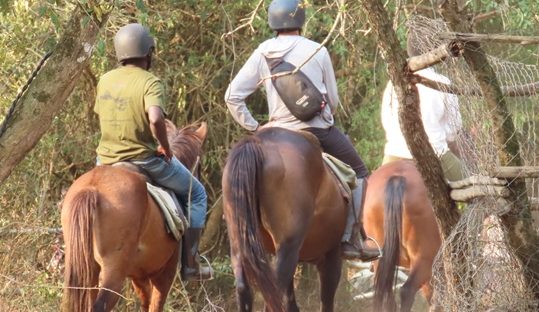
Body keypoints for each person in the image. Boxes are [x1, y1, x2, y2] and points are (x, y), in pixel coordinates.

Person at [224, 0, 380, 262]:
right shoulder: (317, 50)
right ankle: (351, 239)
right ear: (301, 20)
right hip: (316, 130)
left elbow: (232, 96)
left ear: (272, 22)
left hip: (276, 129)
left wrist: (255, 127)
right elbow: (332, 99)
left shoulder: (263, 52)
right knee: (361, 171)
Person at [94, 23, 213, 280]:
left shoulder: (105, 80)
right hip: (144, 160)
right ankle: (191, 264)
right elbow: (157, 119)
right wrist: (166, 147)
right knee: (198, 194)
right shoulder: (150, 81)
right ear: (148, 53)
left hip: (104, 161)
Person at [381, 29, 466, 182]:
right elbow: (453, 130)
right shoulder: (443, 83)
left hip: (394, 152)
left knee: (371, 190)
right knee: (474, 190)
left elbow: (386, 122)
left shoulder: (392, 82)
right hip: (434, 152)